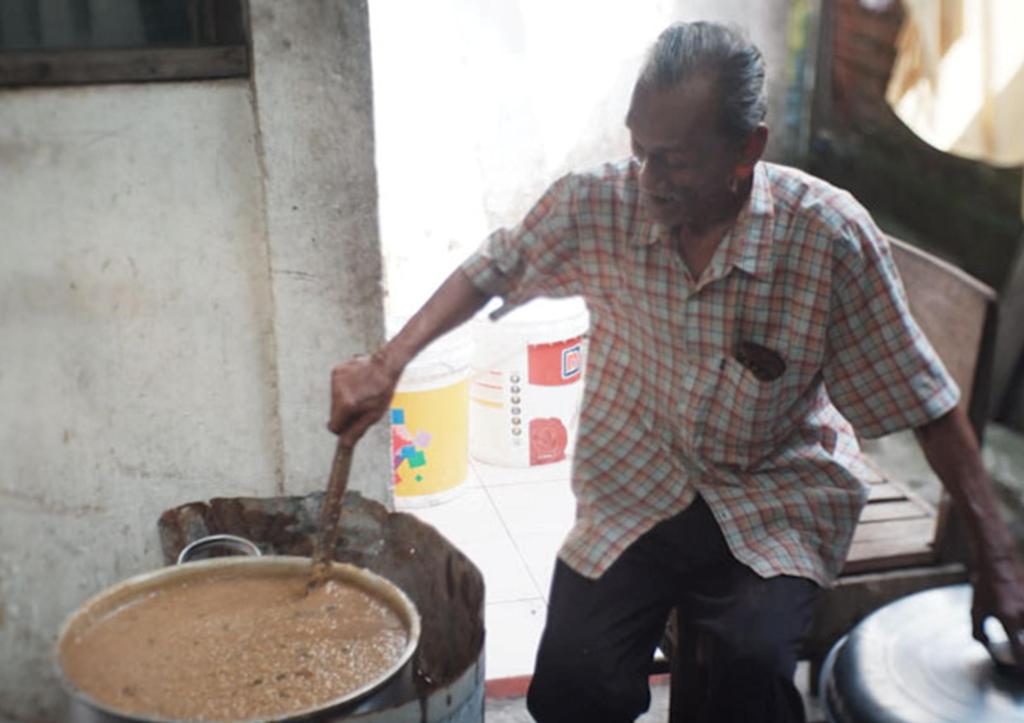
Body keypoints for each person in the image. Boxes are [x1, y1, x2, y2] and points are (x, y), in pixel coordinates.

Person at [328, 21, 1024, 723]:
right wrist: (388, 364)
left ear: (747, 149)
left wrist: (995, 559)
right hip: (635, 481)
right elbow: (493, 266)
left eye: (675, 162)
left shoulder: (827, 238)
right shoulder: (599, 204)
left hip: (773, 493)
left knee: (747, 675)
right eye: (639, 152)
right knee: (574, 680)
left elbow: (925, 402)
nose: (650, 182)